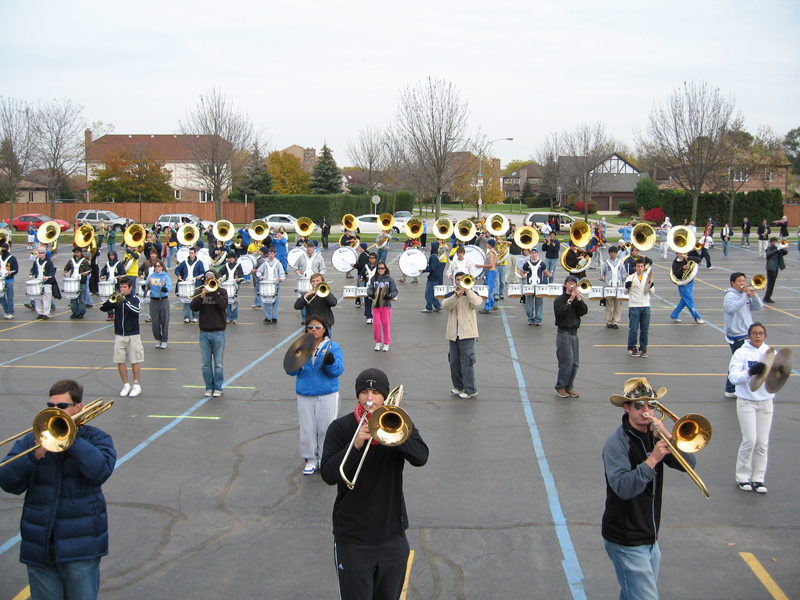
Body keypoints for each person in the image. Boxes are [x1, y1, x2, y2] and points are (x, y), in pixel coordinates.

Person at [0, 379, 116, 600]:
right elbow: (7, 482)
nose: (54, 411)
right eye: (50, 406)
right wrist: (33, 457)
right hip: (40, 544)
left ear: (78, 407)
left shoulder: (97, 438)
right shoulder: (32, 440)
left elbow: (100, 472)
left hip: (80, 547)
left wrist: (71, 440)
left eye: (61, 407)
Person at [320, 368, 428, 600]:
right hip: (353, 540)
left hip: (392, 536)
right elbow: (329, 474)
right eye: (365, 392)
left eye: (376, 392)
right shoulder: (340, 428)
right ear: (358, 395)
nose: (370, 398)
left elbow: (421, 457)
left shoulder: (399, 425)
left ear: (385, 397)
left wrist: (396, 434)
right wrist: (357, 444)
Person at [603, 377, 696, 600]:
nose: (646, 410)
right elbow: (623, 487)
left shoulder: (655, 435)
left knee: (631, 595)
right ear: (626, 408)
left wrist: (671, 439)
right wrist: (652, 460)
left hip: (650, 538)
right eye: (639, 405)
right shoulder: (616, 443)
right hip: (627, 540)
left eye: (651, 405)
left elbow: (689, 466)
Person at [285, 317, 344, 475]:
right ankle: (310, 459)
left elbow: (337, 372)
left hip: (327, 394)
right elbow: (291, 371)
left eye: (317, 327)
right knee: (307, 428)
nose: (313, 330)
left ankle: (325, 459)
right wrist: (296, 359)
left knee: (326, 428)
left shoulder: (333, 347)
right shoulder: (301, 346)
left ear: (324, 329)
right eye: (310, 327)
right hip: (305, 393)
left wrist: (330, 362)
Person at [728, 323, 774, 493]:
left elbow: (777, 376)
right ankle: (742, 476)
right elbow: (733, 377)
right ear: (749, 336)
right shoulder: (741, 353)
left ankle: (758, 478)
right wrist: (749, 372)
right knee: (750, 440)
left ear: (765, 336)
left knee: (762, 443)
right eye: (754, 333)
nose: (757, 336)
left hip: (765, 402)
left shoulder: (770, 353)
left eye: (761, 333)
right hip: (746, 401)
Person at [99, 276, 143, 397]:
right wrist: (110, 300)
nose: (122, 289)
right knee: (120, 361)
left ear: (130, 288)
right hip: (119, 334)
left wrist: (124, 301)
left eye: (125, 287)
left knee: (134, 360)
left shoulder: (135, 299)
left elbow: (137, 310)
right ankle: (126, 384)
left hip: (133, 334)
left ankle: (136, 384)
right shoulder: (117, 300)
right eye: (121, 287)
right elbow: (102, 308)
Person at [442, 271, 483, 398]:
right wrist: (456, 296)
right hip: (454, 333)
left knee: (467, 362)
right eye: (457, 280)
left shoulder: (472, 294)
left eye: (462, 279)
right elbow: (445, 305)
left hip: (467, 334)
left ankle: (470, 389)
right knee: (454, 362)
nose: (459, 282)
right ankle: (458, 386)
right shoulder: (452, 294)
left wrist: (467, 290)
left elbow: (477, 303)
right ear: (455, 281)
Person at [723, 272, 763, 398]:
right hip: (737, 335)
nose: (742, 283)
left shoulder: (743, 295)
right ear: (732, 283)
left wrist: (754, 295)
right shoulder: (730, 295)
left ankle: (732, 388)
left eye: (744, 281)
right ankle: (730, 388)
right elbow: (730, 309)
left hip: (746, 333)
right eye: (739, 281)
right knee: (738, 361)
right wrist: (745, 297)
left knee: (740, 360)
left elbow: (759, 307)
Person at [190, 270, 228, 397]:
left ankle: (218, 387)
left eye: (211, 278)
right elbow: (193, 307)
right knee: (205, 364)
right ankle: (208, 387)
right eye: (207, 278)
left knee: (218, 364)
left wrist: (215, 292)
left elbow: (223, 305)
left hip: (218, 332)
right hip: (204, 332)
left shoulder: (221, 292)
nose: (208, 280)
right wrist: (201, 297)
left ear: (216, 279)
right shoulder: (200, 292)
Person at [554, 275, 588, 398]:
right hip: (563, 333)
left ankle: (569, 386)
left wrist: (578, 299)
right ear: (565, 285)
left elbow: (583, 311)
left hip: (574, 333)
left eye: (574, 283)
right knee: (566, 362)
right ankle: (560, 387)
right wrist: (570, 300)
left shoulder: (577, 299)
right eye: (570, 283)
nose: (572, 285)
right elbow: (560, 313)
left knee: (575, 363)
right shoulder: (559, 299)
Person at [625, 259, 654, 358]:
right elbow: (625, 293)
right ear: (635, 268)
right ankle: (631, 347)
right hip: (634, 305)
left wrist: (651, 286)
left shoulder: (647, 277)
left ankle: (643, 348)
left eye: (642, 266)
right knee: (633, 329)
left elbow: (653, 292)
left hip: (645, 305)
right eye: (638, 266)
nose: (640, 268)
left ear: (644, 267)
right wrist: (627, 287)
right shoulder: (630, 278)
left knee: (645, 329)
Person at [367, 262, 397, 351]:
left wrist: (390, 295)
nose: (380, 270)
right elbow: (369, 289)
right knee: (376, 325)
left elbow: (395, 290)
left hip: (386, 305)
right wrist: (370, 294)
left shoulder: (390, 279)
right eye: (379, 268)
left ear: (385, 269)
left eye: (382, 268)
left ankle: (386, 343)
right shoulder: (373, 279)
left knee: (386, 324)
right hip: (376, 305)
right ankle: (378, 342)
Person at [669, 253, 703, 323]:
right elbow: (676, 274)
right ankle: (697, 317)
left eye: (683, 253)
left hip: (690, 282)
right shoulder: (675, 263)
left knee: (684, 300)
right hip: (682, 284)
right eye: (680, 253)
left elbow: (699, 260)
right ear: (677, 254)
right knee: (690, 300)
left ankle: (674, 315)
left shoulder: (687, 258)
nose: (682, 254)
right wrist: (683, 268)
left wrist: (689, 257)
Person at [257, 246, 286, 324]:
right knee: (266, 301)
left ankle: (274, 317)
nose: (270, 256)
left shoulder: (278, 263)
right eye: (269, 254)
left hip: (275, 285)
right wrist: (259, 275)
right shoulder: (265, 263)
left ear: (275, 254)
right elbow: (259, 271)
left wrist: (280, 279)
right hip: (266, 285)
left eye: (272, 254)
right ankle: (267, 317)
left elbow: (282, 275)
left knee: (275, 302)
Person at [146, 259, 171, 349]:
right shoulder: (151, 276)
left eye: (158, 266)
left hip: (163, 300)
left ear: (162, 267)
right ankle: (158, 338)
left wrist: (166, 289)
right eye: (155, 266)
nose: (157, 268)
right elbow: (146, 285)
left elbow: (169, 285)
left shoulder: (165, 276)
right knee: (155, 322)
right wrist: (145, 287)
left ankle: (164, 340)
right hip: (154, 300)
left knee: (164, 321)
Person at [29, 246, 59, 320]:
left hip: (46, 282)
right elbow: (33, 269)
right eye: (39, 253)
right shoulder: (36, 262)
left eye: (41, 253)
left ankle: (46, 313)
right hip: (38, 282)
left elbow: (52, 271)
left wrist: (48, 277)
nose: (40, 254)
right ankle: (40, 313)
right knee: (37, 298)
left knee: (46, 298)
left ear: (45, 253)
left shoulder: (49, 262)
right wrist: (31, 274)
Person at [521, 247, 549, 326]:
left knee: (539, 303)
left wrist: (549, 274)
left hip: (539, 286)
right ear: (531, 254)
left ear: (537, 254)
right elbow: (522, 271)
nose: (533, 254)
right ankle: (530, 319)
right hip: (530, 286)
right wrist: (523, 275)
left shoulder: (541, 263)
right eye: (532, 253)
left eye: (535, 253)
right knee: (529, 304)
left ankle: (538, 319)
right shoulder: (527, 263)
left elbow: (545, 272)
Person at [176, 246, 203, 323]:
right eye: (190, 253)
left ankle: (195, 316)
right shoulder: (185, 262)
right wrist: (179, 275)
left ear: (195, 253)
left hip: (195, 284)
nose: (191, 255)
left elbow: (203, 272)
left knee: (195, 301)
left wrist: (199, 276)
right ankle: (186, 317)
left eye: (192, 253)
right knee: (186, 300)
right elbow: (177, 269)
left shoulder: (199, 262)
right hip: (187, 283)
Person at [64, 247, 91, 320]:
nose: (76, 253)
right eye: (75, 252)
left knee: (81, 298)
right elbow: (67, 267)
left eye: (78, 252)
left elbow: (89, 270)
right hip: (73, 282)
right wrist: (66, 271)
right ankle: (74, 312)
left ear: (81, 253)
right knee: (73, 298)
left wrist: (86, 273)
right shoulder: (71, 260)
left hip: (81, 282)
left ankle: (81, 312)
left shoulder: (84, 261)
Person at [600, 246, 623, 329]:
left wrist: (625, 277)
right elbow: (602, 273)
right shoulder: (605, 263)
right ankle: (608, 321)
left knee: (618, 306)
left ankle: (615, 321)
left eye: (615, 253)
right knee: (608, 306)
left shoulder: (620, 263)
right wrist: (601, 276)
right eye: (612, 253)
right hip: (609, 286)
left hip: (618, 286)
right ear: (609, 253)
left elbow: (623, 273)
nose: (613, 254)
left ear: (616, 253)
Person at [100, 250, 125, 321]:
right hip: (108, 285)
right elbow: (103, 271)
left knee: (117, 300)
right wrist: (102, 275)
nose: (111, 257)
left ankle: (118, 314)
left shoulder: (119, 264)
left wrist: (121, 277)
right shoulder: (107, 264)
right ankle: (110, 314)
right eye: (110, 255)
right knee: (109, 300)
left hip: (116, 285)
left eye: (112, 255)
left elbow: (123, 273)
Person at [221, 251, 245, 324]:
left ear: (235, 258)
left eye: (232, 258)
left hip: (235, 286)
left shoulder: (238, 266)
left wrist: (239, 280)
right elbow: (221, 272)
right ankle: (228, 317)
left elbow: (242, 276)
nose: (231, 259)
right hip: (228, 286)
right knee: (228, 302)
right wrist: (219, 277)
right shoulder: (226, 265)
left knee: (234, 301)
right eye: (230, 258)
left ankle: (234, 318)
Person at [421, 242, 445, 313]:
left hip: (433, 278)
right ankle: (437, 305)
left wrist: (423, 270)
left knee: (429, 293)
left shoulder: (433, 257)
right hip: (436, 277)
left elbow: (432, 268)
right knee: (433, 293)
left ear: (433, 247)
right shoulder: (435, 256)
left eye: (431, 246)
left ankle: (429, 307)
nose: (429, 247)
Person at [762, 237, 787, 303]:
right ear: (771, 242)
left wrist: (781, 248)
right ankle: (767, 297)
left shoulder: (778, 248)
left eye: (775, 241)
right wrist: (777, 250)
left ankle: (768, 297)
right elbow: (769, 254)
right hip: (770, 268)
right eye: (773, 241)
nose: (774, 243)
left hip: (776, 268)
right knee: (770, 283)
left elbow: (785, 252)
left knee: (772, 283)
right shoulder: (769, 248)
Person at [477, 239, 498, 314]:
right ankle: (493, 304)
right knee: (488, 289)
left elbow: (491, 264)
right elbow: (496, 264)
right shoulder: (495, 252)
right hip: (493, 271)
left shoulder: (491, 253)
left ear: (490, 244)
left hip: (490, 272)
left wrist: (481, 266)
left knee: (487, 291)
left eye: (487, 243)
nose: (486, 244)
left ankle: (487, 308)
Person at [0, 242, 19, 319]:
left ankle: (11, 312)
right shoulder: (0, 257)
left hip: (9, 279)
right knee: (1, 297)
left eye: (4, 249)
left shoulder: (12, 258)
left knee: (10, 296)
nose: (3, 250)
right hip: (1, 279)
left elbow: (16, 269)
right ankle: (7, 311)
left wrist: (11, 272)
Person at [359, 252, 378, 324]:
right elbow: (362, 274)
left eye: (373, 258)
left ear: (375, 259)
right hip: (368, 286)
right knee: (367, 302)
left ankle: (375, 316)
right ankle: (368, 316)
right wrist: (362, 278)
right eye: (370, 258)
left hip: (376, 287)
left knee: (376, 302)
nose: (371, 259)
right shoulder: (366, 266)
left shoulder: (378, 267)